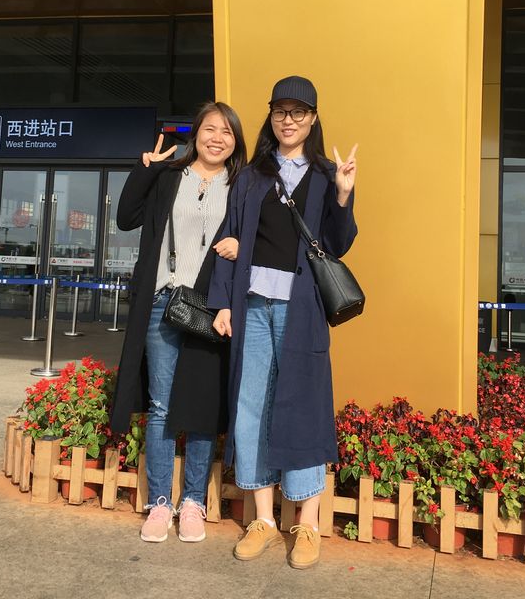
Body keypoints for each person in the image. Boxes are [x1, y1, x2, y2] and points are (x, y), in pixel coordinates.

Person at [209, 76, 358, 569]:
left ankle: (307, 523)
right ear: (271, 115)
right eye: (280, 111)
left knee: (304, 406)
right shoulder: (252, 176)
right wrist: (223, 303)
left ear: (313, 118)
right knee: (251, 406)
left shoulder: (326, 174)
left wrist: (343, 195)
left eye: (298, 112)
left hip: (302, 311)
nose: (288, 120)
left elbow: (337, 244)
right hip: (252, 306)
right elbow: (229, 237)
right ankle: (263, 520)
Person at [110, 101, 247, 545]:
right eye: (210, 129)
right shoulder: (170, 177)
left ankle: (192, 502)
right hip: (161, 302)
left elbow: (259, 239)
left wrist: (240, 246)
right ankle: (159, 503)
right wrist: (145, 169)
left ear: (236, 142)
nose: (217, 138)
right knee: (162, 405)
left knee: (202, 405)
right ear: (196, 134)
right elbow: (126, 218)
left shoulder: (242, 185)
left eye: (227, 132)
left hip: (210, 308)